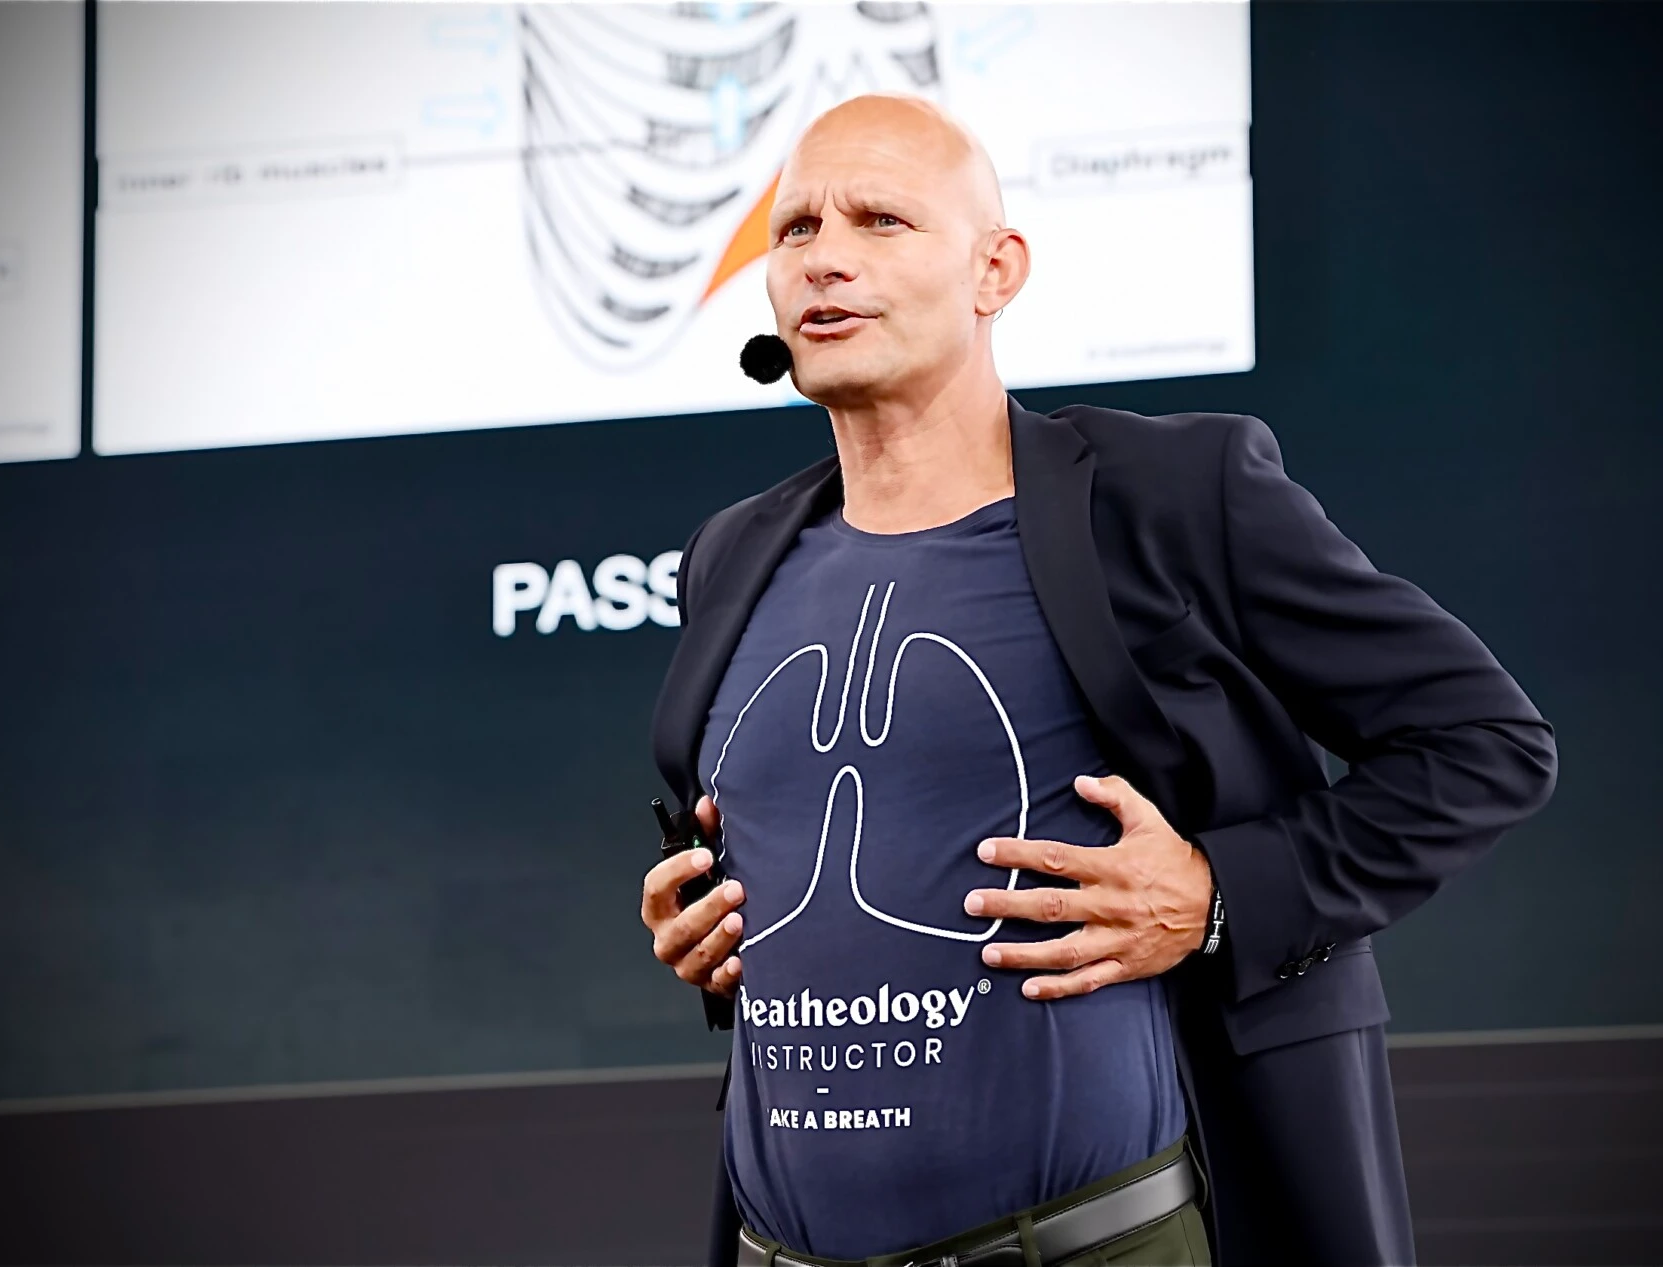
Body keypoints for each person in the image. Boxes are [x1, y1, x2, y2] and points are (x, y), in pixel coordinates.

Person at [642, 95, 1556, 1267]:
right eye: (796, 227)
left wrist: (1216, 892)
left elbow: (1482, 741)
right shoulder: (731, 554)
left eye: (880, 220)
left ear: (995, 269)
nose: (826, 256)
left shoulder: (1174, 495)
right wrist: (702, 919)